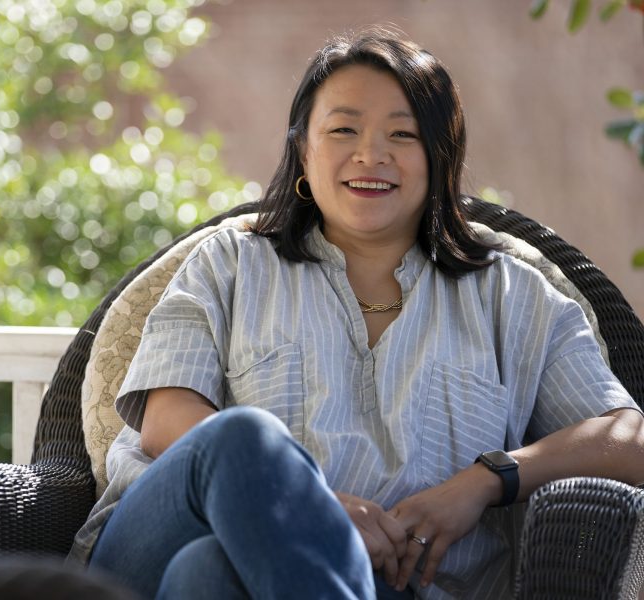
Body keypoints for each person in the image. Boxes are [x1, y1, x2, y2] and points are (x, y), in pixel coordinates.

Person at [67, 31, 644, 599]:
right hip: (155, 548)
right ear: (303, 149)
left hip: (394, 584)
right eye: (343, 129)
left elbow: (629, 437)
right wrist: (307, 510)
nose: (371, 154)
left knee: (210, 573)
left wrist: (487, 479)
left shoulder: (511, 296)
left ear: (440, 156)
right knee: (242, 441)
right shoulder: (230, 263)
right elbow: (167, 422)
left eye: (403, 134)